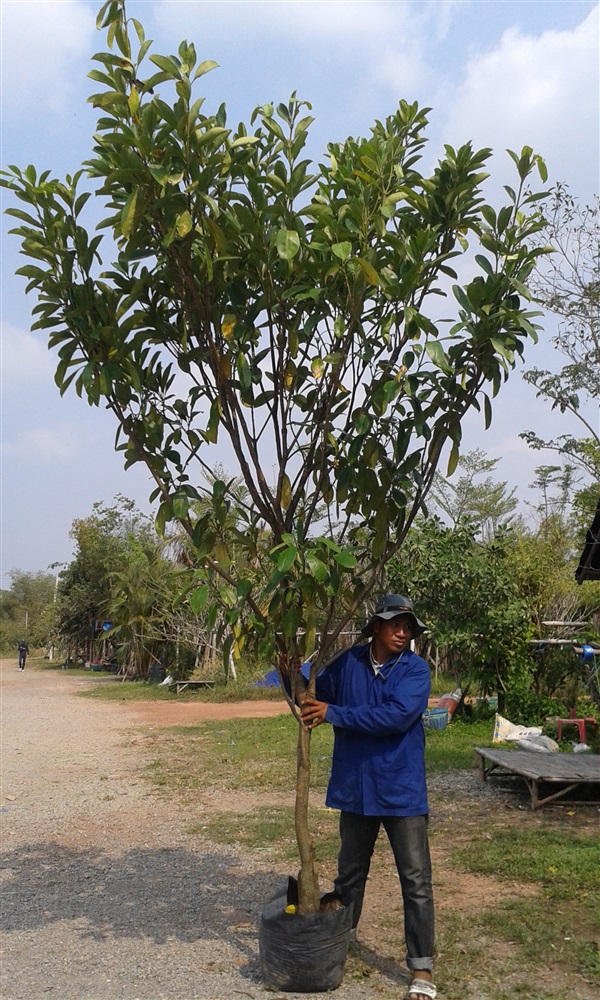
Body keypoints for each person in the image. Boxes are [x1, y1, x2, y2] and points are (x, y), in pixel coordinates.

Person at [300, 594, 437, 1000]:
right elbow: (312, 693)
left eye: (408, 626)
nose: (402, 632)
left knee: (415, 882)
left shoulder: (415, 670)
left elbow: (395, 717)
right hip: (357, 789)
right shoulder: (348, 664)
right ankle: (340, 943)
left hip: (401, 790)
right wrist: (292, 675)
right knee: (349, 875)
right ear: (376, 626)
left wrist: (334, 713)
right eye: (395, 624)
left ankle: (421, 969)